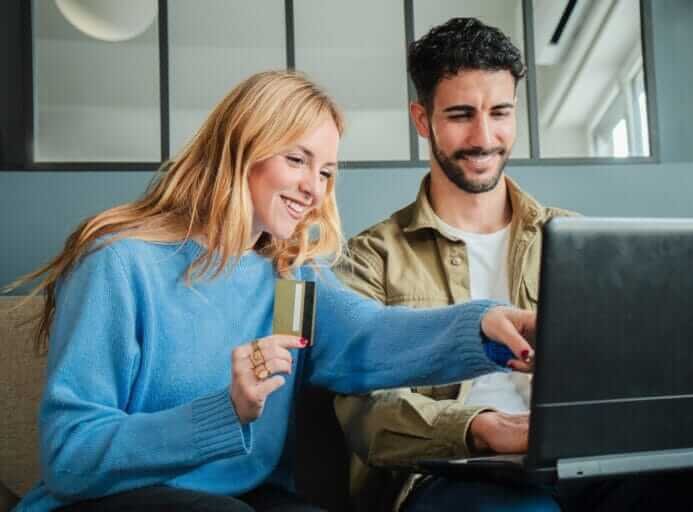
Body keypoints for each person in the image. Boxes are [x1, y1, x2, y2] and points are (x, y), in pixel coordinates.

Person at [6, 70, 536, 512]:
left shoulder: (287, 280)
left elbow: (366, 337)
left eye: (326, 171)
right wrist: (227, 410)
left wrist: (483, 326)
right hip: (100, 502)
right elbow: (69, 457)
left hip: (241, 499)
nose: (314, 188)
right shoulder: (120, 264)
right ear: (242, 150)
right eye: (297, 160)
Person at [334, 17, 693, 512]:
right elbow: (365, 410)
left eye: (500, 112)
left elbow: (633, 368)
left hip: (591, 462)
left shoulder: (578, 240)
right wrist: (481, 428)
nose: (484, 136)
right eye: (460, 115)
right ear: (421, 118)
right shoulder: (370, 257)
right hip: (454, 471)